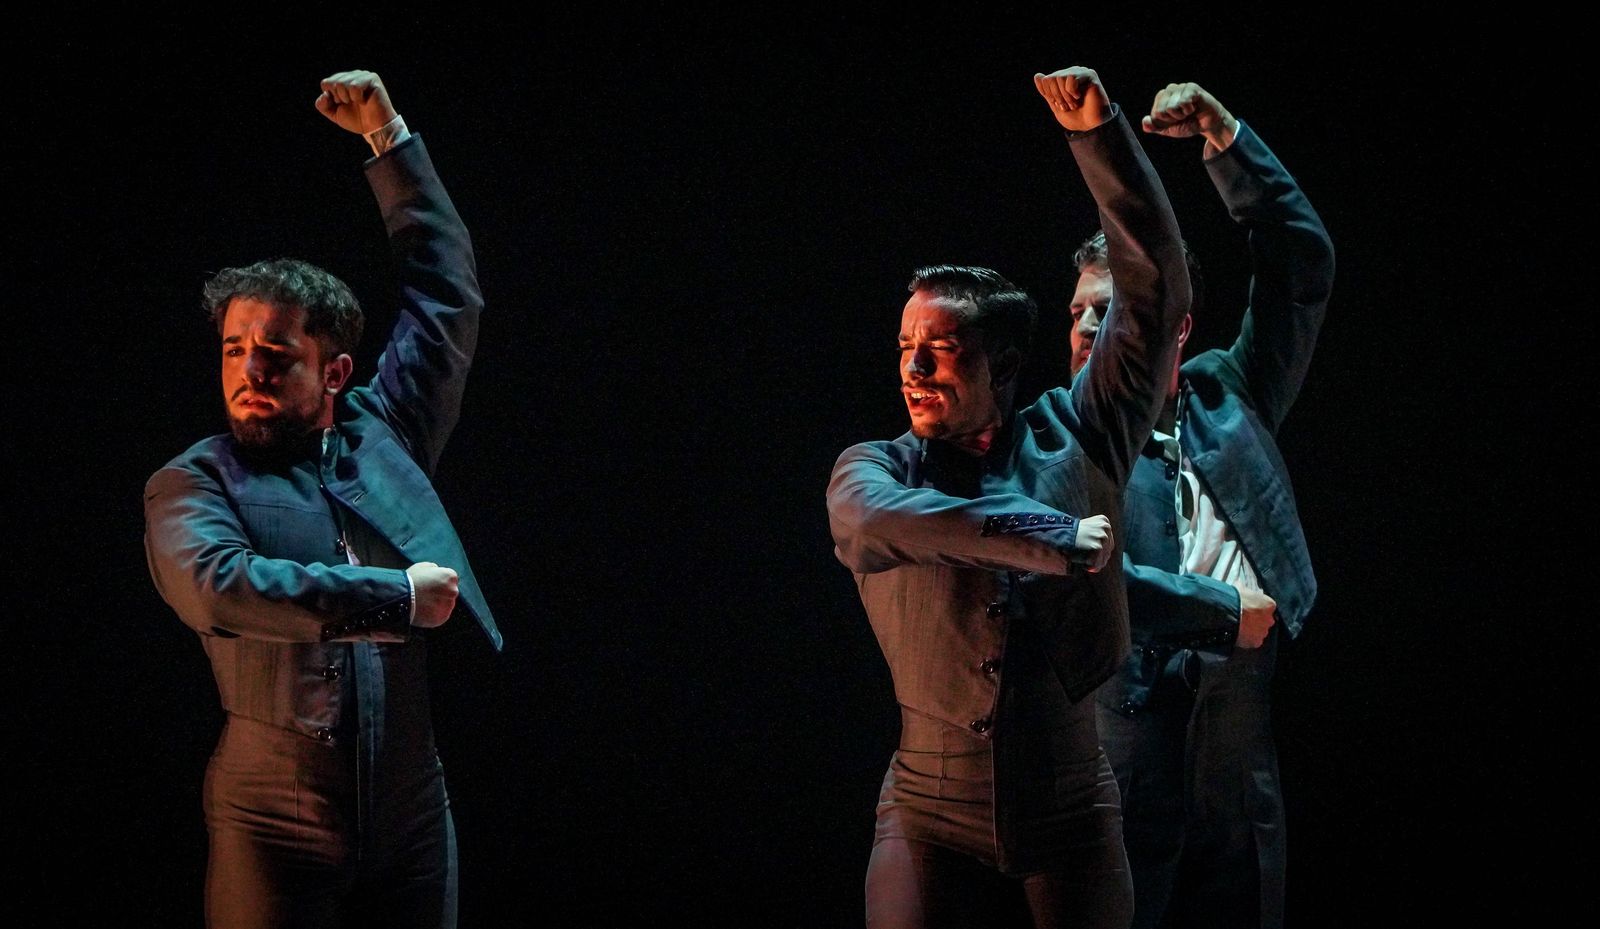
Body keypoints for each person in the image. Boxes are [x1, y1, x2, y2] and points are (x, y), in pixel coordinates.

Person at [826, 67, 1190, 928]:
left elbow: (1155, 288)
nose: (914, 367)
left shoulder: (1083, 428)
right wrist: (1044, 532)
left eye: (942, 349)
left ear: (1003, 366)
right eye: (907, 344)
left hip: (1070, 800)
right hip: (925, 806)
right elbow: (883, 524)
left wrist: (1100, 141)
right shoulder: (875, 470)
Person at [143, 70, 502, 929]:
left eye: (275, 355)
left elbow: (447, 297)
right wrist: (398, 598)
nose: (249, 374)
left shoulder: (386, 430)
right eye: (234, 351)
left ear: (334, 371)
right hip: (273, 816)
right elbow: (220, 586)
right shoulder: (197, 479)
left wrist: (391, 142)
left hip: (411, 807)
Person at [1070, 83, 1334, 929]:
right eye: (1075, 312)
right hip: (1132, 728)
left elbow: (1300, 267)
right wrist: (1220, 610)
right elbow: (1092, 578)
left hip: (1239, 722)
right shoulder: (1067, 435)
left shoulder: (1229, 391)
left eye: (1103, 312)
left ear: (1170, 327)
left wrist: (1227, 141)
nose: (1081, 330)